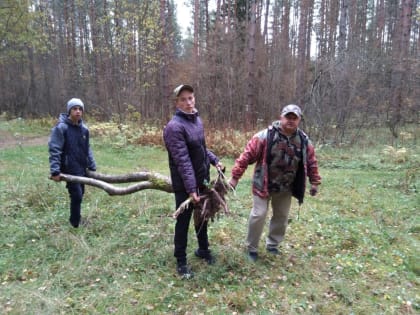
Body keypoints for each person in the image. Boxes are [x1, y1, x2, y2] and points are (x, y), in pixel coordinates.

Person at [229, 104, 321, 261]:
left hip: (286, 187)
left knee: (281, 216)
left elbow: (311, 162)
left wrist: (314, 182)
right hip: (263, 183)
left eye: (294, 118)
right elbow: (246, 156)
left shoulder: (304, 141)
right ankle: (251, 248)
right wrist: (234, 178)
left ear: (299, 120)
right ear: (281, 117)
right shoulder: (265, 136)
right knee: (259, 214)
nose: (290, 121)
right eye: (288, 117)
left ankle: (272, 245)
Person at [163, 84, 223, 279]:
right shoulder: (174, 127)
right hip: (185, 184)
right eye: (183, 99)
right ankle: (181, 261)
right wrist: (191, 189)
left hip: (202, 178)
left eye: (191, 98)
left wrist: (214, 160)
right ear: (176, 102)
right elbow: (183, 160)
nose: (188, 102)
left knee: (203, 216)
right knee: (184, 220)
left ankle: (203, 250)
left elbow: (200, 149)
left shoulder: (196, 120)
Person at [48, 98, 96, 228]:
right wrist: (55, 171)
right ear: (69, 111)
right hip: (69, 169)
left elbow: (87, 148)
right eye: (75, 109)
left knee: (80, 193)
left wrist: (92, 165)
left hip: (81, 168)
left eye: (80, 109)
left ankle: (77, 218)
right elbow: (55, 149)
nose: (78, 111)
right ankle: (75, 223)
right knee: (77, 195)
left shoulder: (84, 129)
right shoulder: (61, 128)